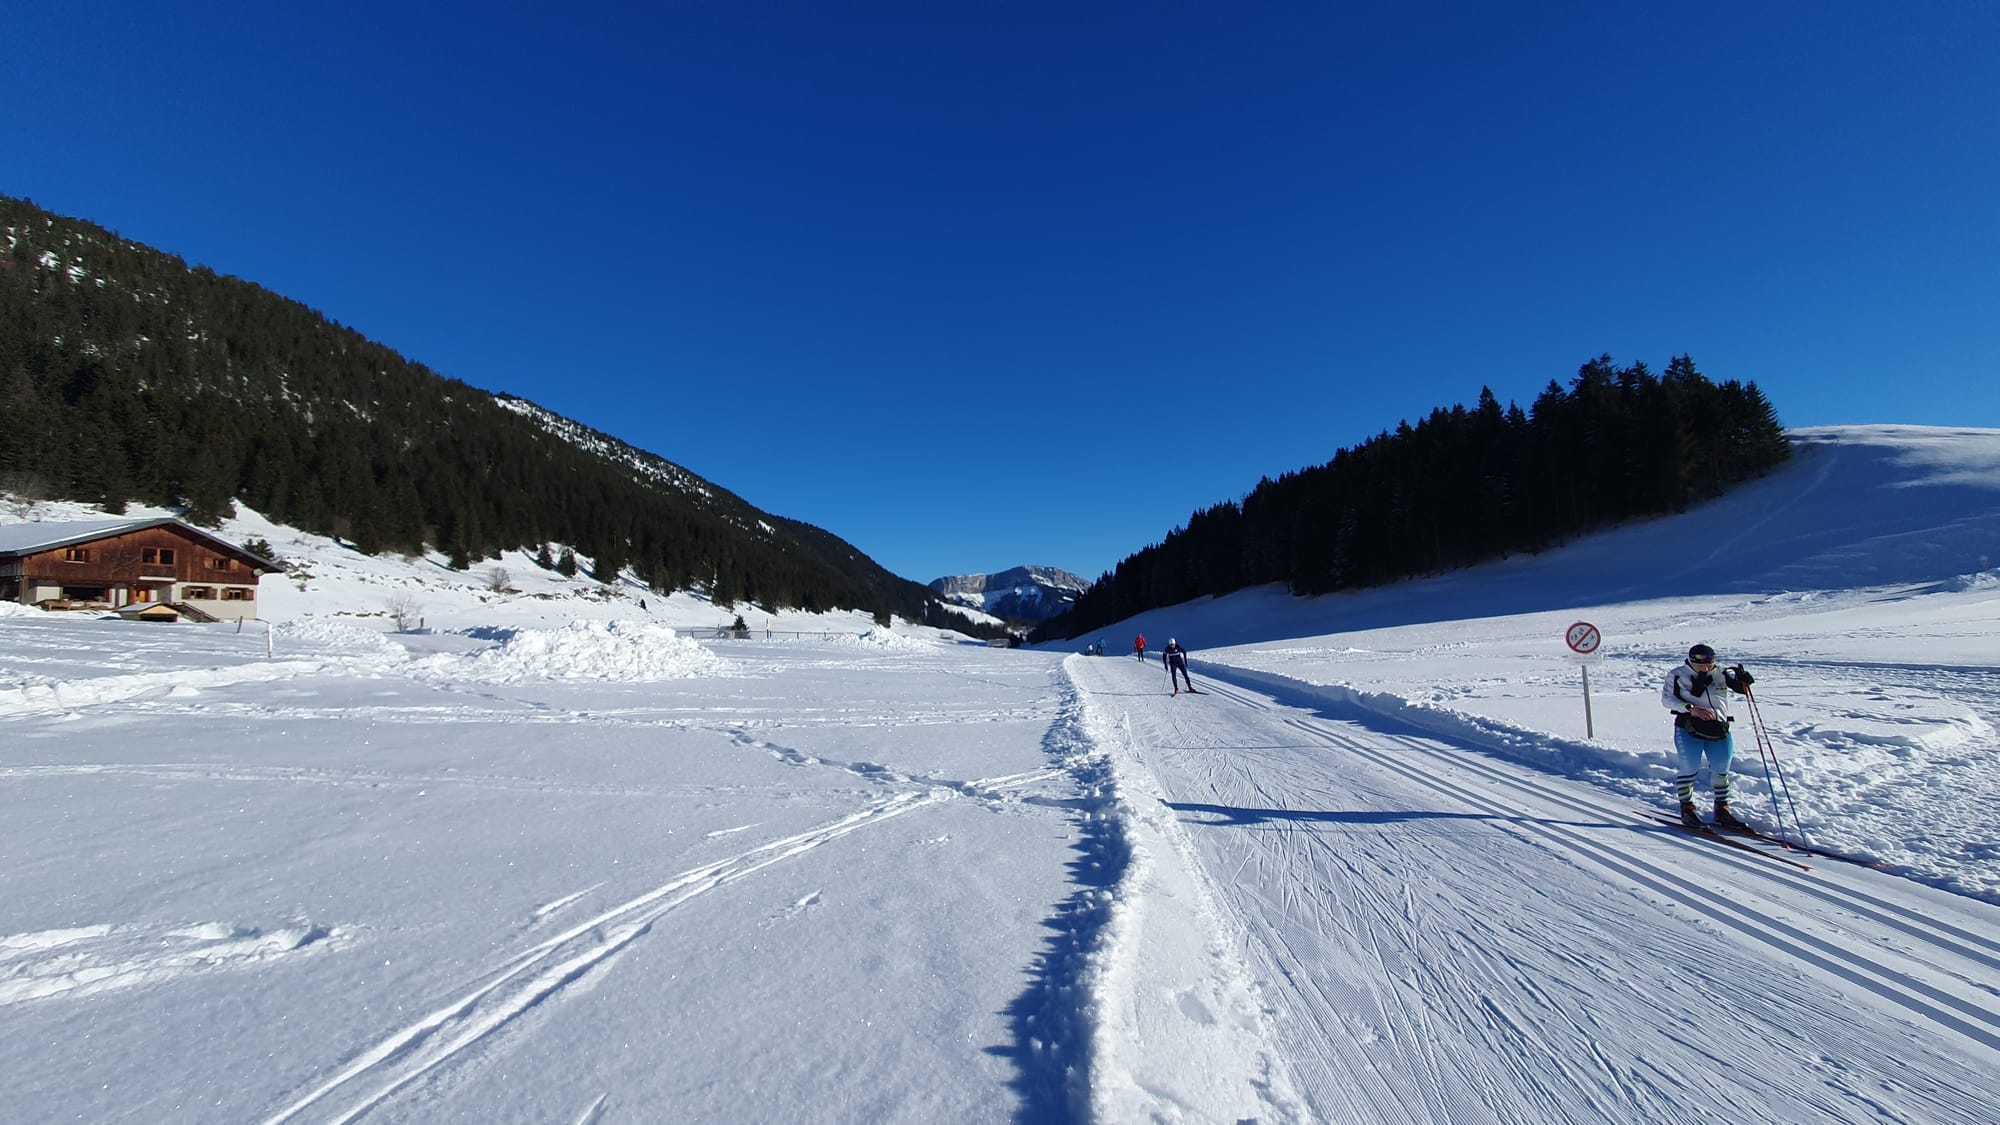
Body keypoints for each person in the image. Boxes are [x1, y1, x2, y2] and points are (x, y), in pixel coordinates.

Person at [1660, 642, 1755, 829]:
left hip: (1718, 727)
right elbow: (1667, 699)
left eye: (1709, 663)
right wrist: (1690, 708)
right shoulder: (1677, 675)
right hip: (1689, 728)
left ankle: (1722, 810)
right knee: (1690, 767)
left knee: (1721, 767)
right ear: (1690, 661)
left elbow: (1741, 688)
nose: (1705, 667)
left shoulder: (1720, 673)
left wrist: (1744, 681)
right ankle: (1687, 808)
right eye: (1700, 663)